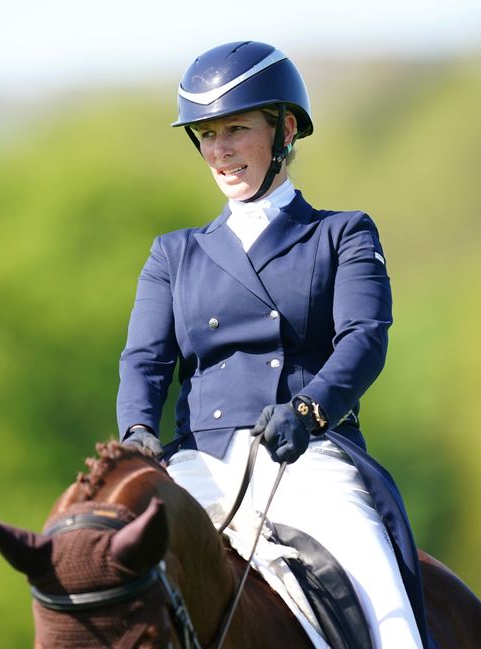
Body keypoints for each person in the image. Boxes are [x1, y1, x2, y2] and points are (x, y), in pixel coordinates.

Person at [117, 40, 429, 649]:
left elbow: (363, 340)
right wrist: (136, 433)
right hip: (197, 464)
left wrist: (309, 412)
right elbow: (146, 360)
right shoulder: (173, 254)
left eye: (236, 129)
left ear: (284, 130)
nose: (220, 150)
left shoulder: (342, 234)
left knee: (390, 616)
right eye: (206, 134)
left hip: (304, 454)